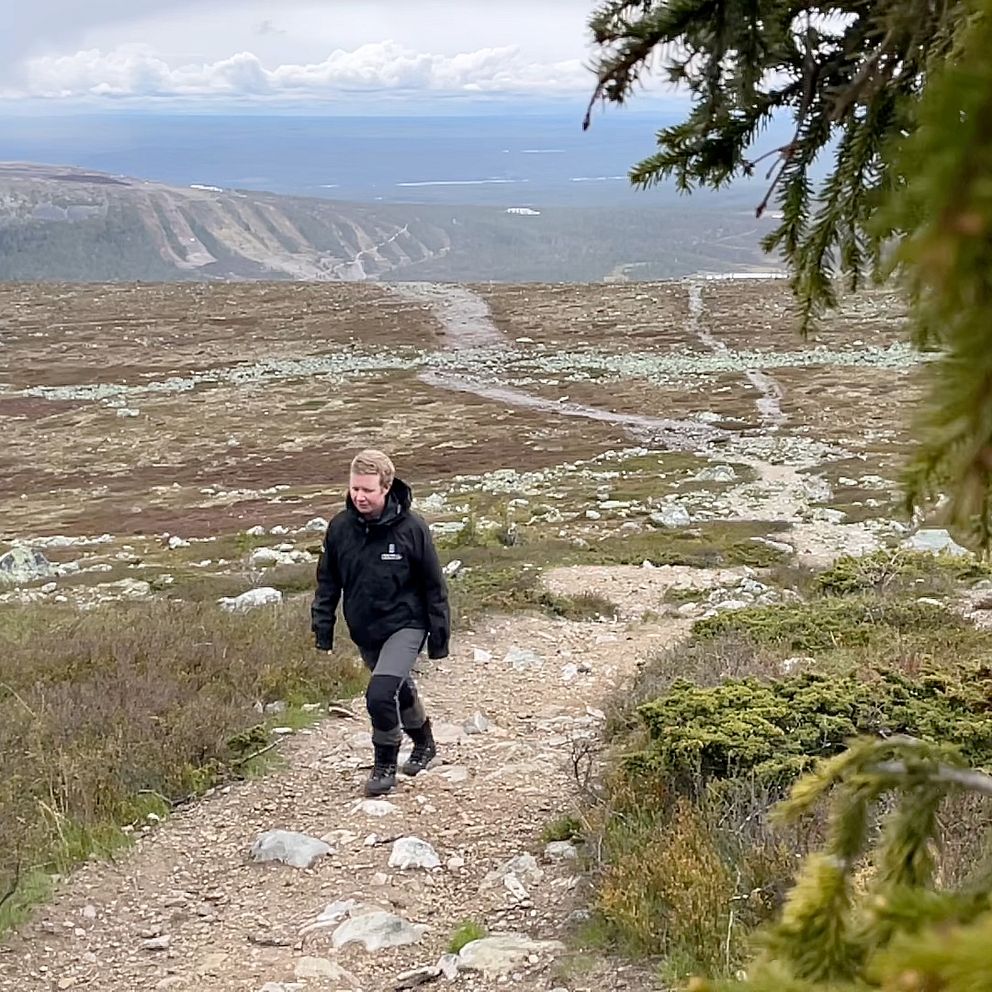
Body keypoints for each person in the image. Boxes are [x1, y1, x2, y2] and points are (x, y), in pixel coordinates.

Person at [311, 449, 450, 797]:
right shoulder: (340, 528)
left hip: (407, 624)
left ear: (386, 488)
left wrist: (439, 637)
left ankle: (384, 764)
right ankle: (425, 743)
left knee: (379, 694)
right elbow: (328, 582)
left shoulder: (412, 528)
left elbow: (434, 585)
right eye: (355, 488)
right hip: (365, 628)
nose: (359, 496)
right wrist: (323, 628)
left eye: (368, 490)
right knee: (397, 689)